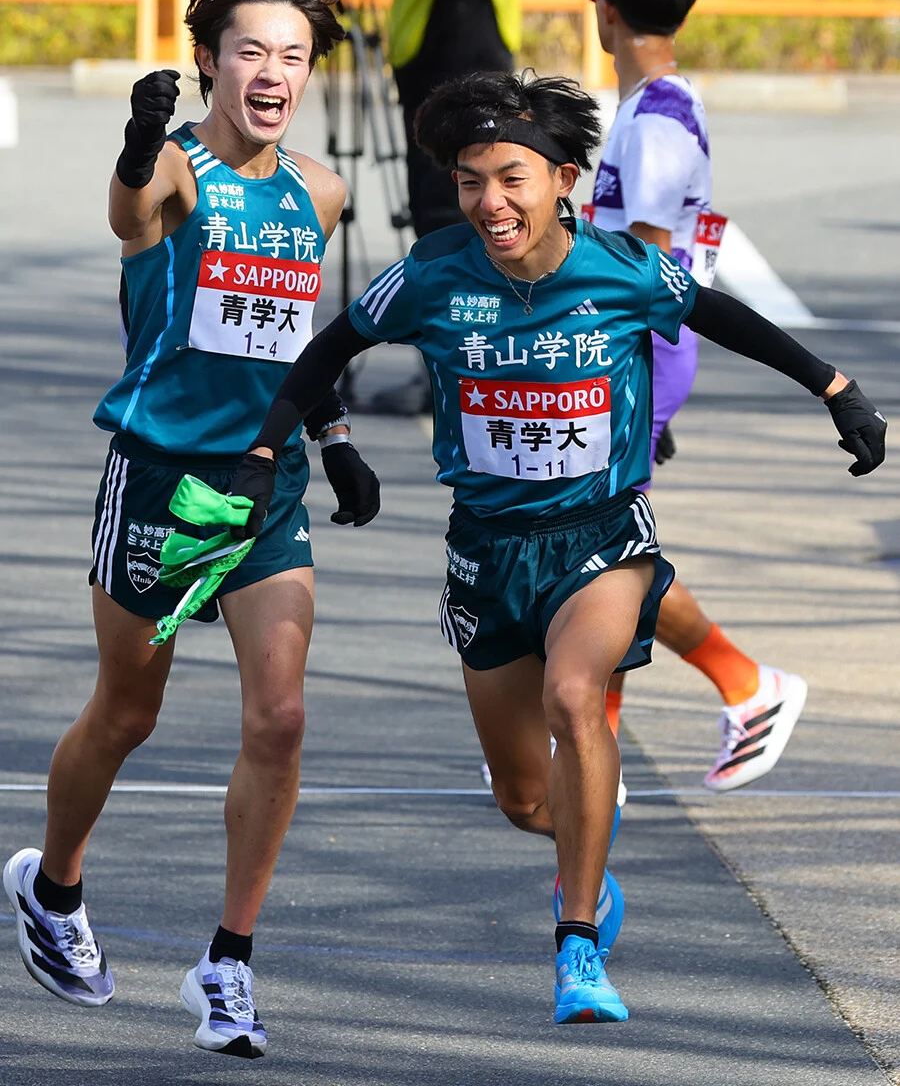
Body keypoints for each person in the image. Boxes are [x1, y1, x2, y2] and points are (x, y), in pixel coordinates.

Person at [224, 70, 886, 1024]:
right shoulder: (433, 272)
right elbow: (330, 347)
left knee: (577, 696)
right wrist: (281, 448)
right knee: (524, 801)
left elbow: (718, 313)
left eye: (511, 178)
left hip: (601, 535)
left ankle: (576, 948)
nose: (489, 203)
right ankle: (587, 854)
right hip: (487, 552)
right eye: (468, 181)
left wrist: (836, 391)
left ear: (564, 178)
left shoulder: (618, 269)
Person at [3, 0, 379, 1059]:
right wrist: (134, 147)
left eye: (293, 57)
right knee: (129, 714)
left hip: (266, 487)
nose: (273, 74)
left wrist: (335, 436)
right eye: (251, 52)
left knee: (282, 717)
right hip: (164, 480)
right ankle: (53, 886)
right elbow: (131, 215)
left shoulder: (319, 191)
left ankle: (228, 964)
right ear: (210, 60)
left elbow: (303, 336)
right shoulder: (177, 170)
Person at [587, 0, 809, 791]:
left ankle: (742, 685)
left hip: (635, 345)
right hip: (642, 349)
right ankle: (604, 737)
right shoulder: (662, 104)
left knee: (600, 552)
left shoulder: (656, 120)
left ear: (603, 5)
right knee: (599, 546)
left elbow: (638, 265)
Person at [364, 0, 521, 414]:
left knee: (451, 224)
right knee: (439, 223)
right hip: (440, 84)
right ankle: (446, 372)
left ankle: (459, 374)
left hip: (463, 87)